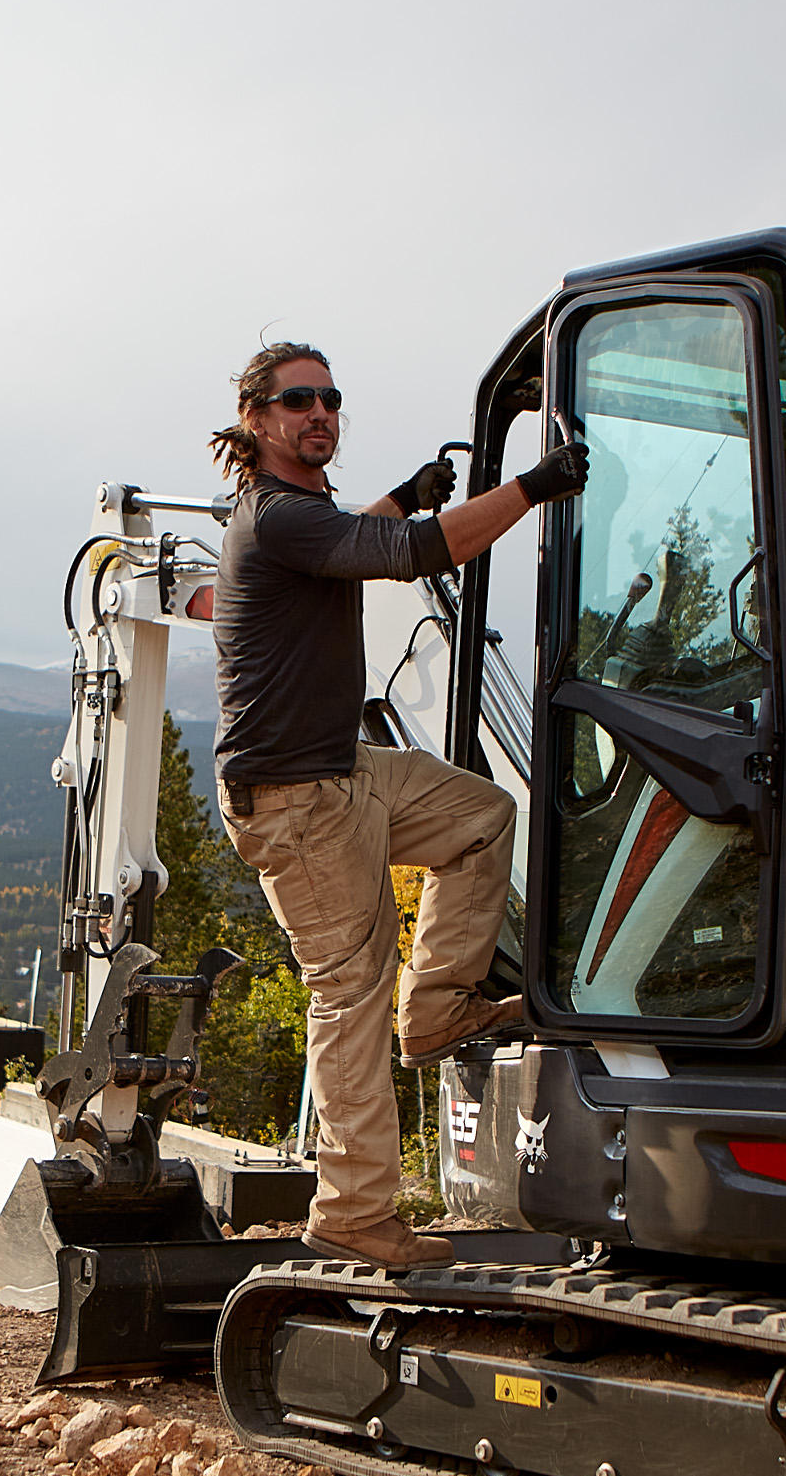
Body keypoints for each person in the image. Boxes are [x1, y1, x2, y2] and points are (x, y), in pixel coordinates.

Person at [209, 341, 587, 1269]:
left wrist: (406, 492)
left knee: (481, 816)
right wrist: (535, 486)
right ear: (256, 418)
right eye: (300, 400)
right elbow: (416, 554)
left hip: (343, 771)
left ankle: (441, 1009)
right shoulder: (272, 516)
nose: (322, 413)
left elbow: (366, 538)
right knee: (347, 993)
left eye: (332, 398)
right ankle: (352, 1213)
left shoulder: (303, 513)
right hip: (294, 801)